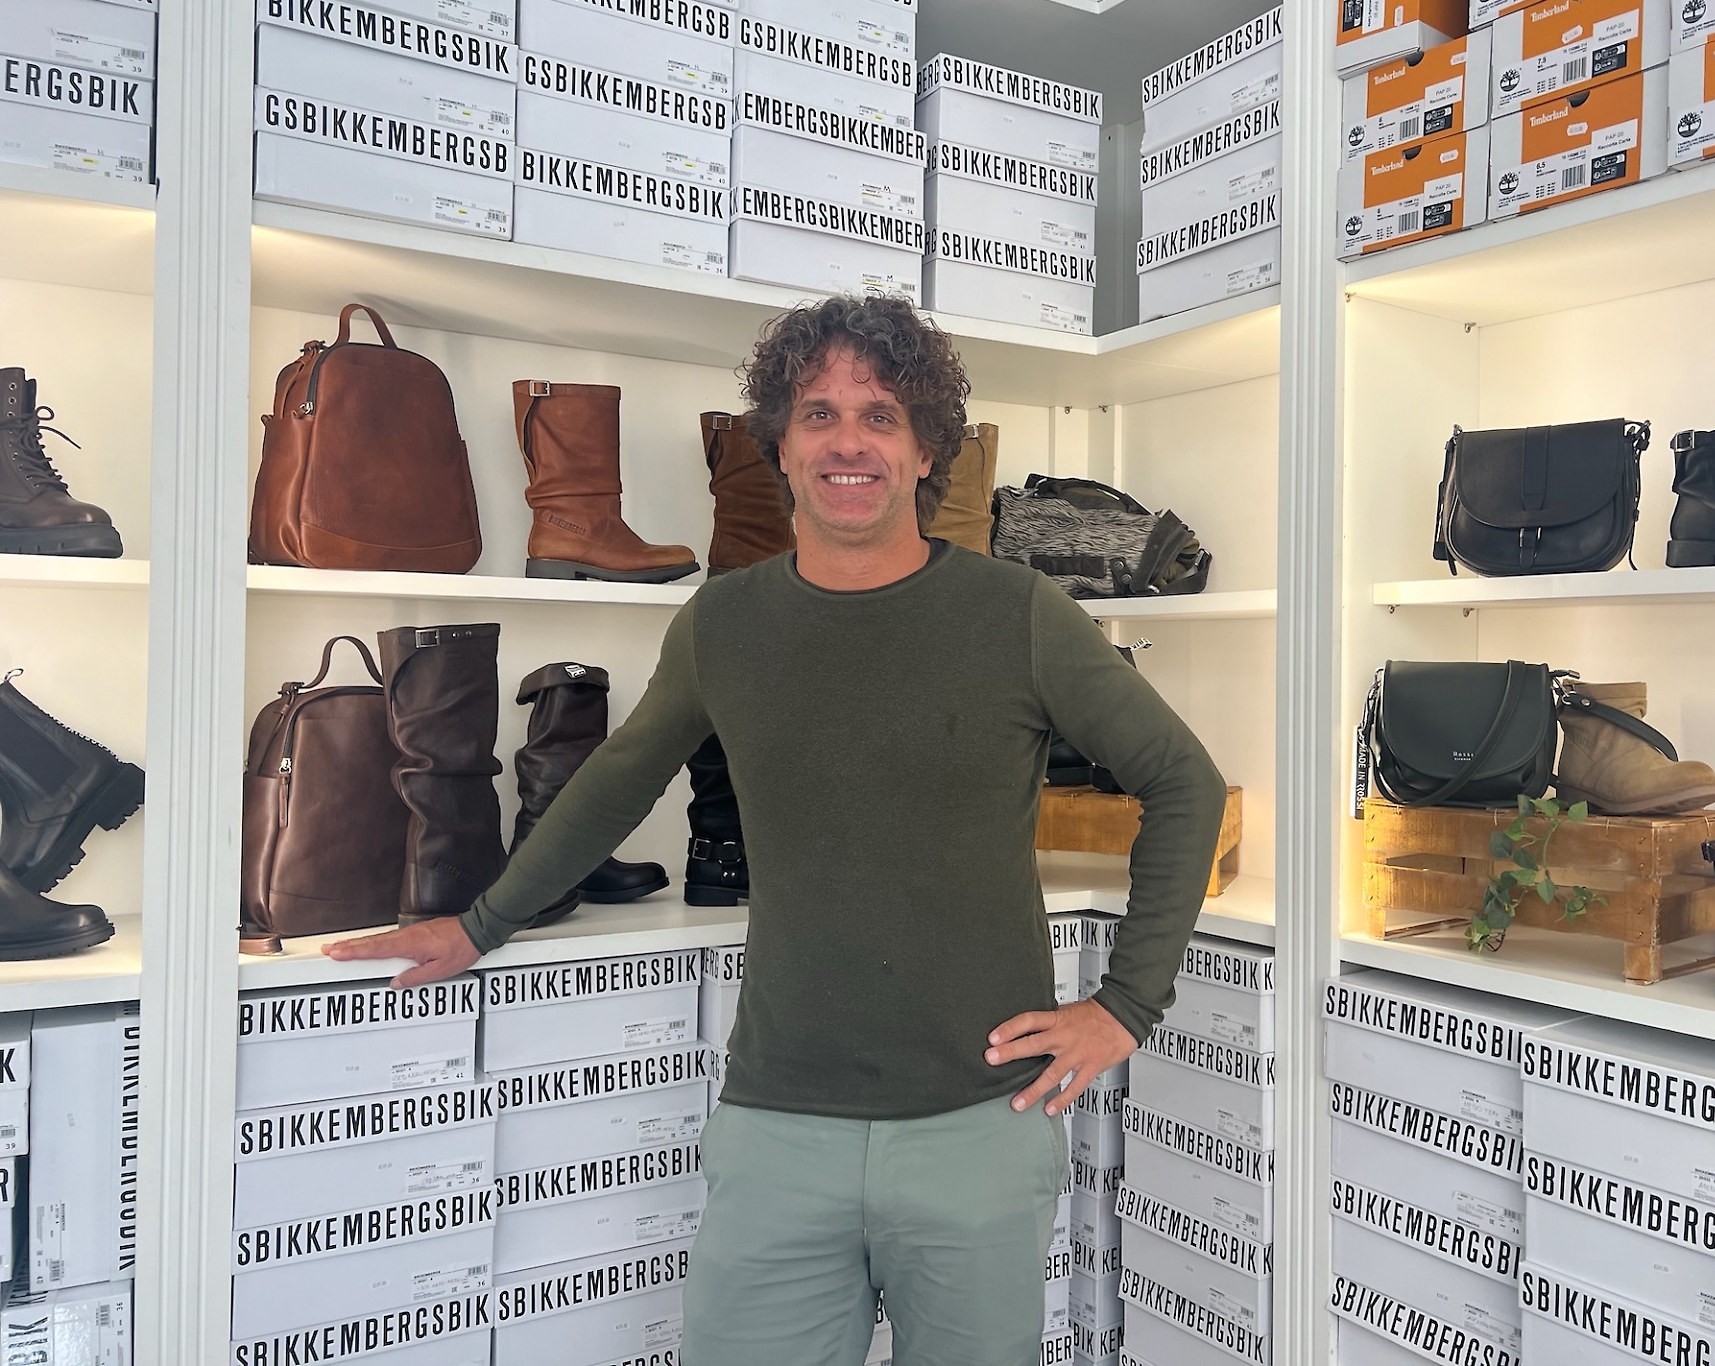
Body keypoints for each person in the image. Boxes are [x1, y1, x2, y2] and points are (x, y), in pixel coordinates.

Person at [327, 294, 1227, 1366]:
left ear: (925, 449)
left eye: (881, 415)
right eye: (819, 414)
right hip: (778, 1127)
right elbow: (616, 784)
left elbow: (1184, 782)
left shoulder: (1019, 615)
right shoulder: (724, 622)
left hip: (979, 1126)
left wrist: (1125, 1007)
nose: (849, 441)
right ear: (781, 448)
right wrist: (482, 923)